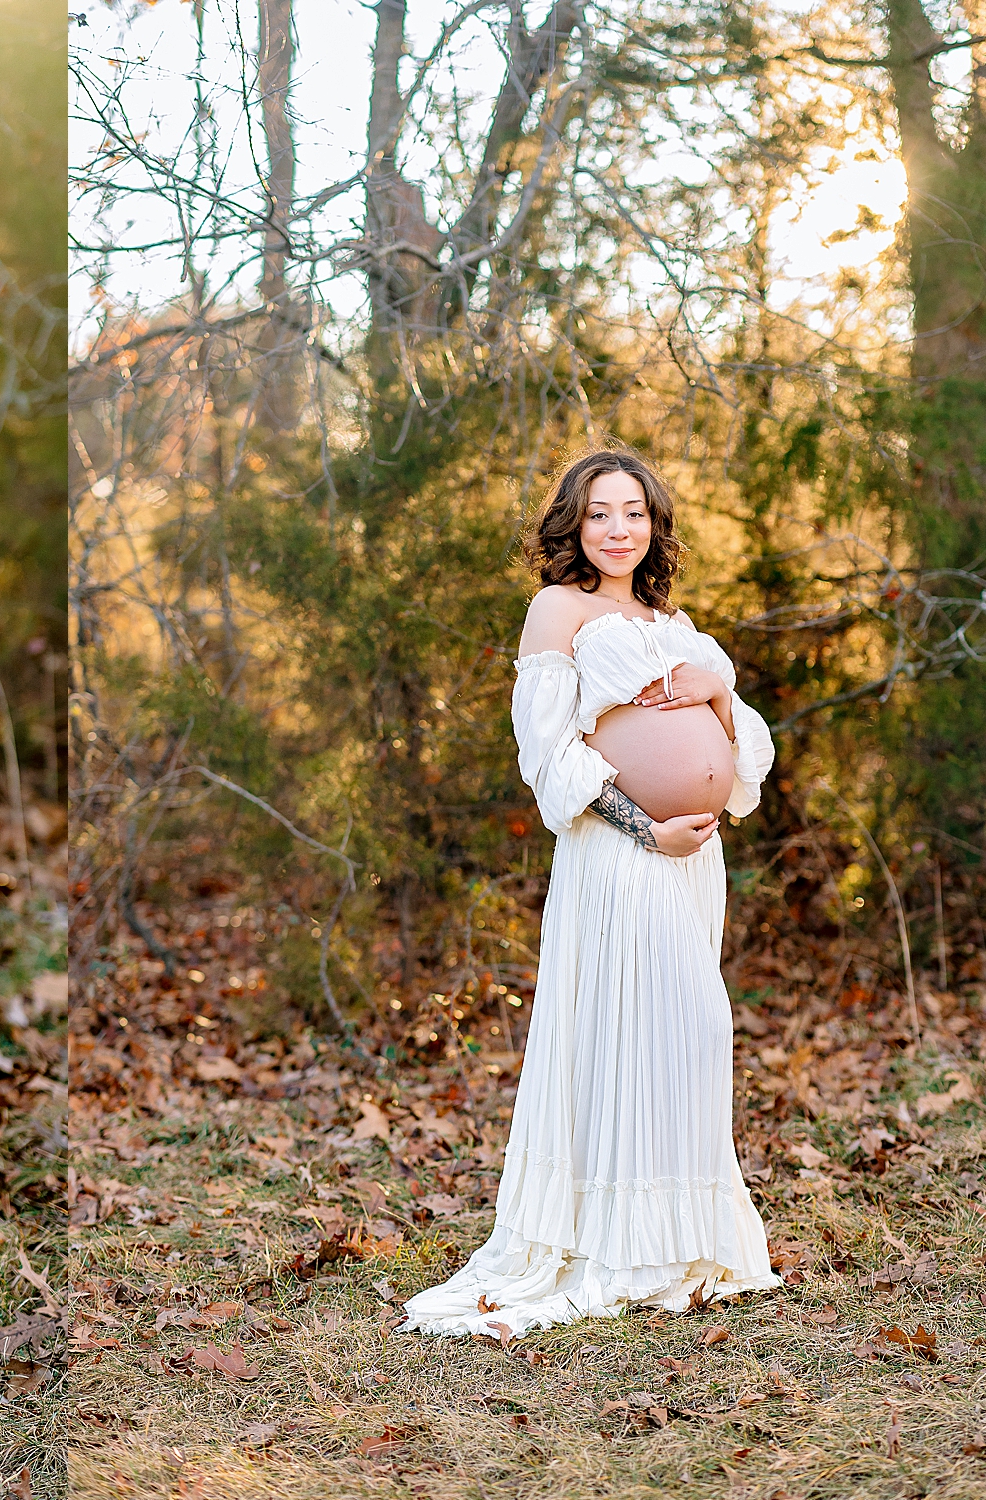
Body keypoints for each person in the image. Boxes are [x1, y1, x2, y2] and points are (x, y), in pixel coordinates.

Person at [400, 446, 781, 1338]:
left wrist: (719, 692)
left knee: (687, 1034)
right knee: (640, 1026)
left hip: (694, 860)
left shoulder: (670, 615)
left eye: (636, 513)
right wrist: (648, 827)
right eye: (602, 512)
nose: (620, 529)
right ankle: (618, 1240)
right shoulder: (556, 609)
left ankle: (682, 1238)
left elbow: (741, 746)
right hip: (623, 855)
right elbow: (551, 755)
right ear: (574, 523)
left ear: (656, 526)